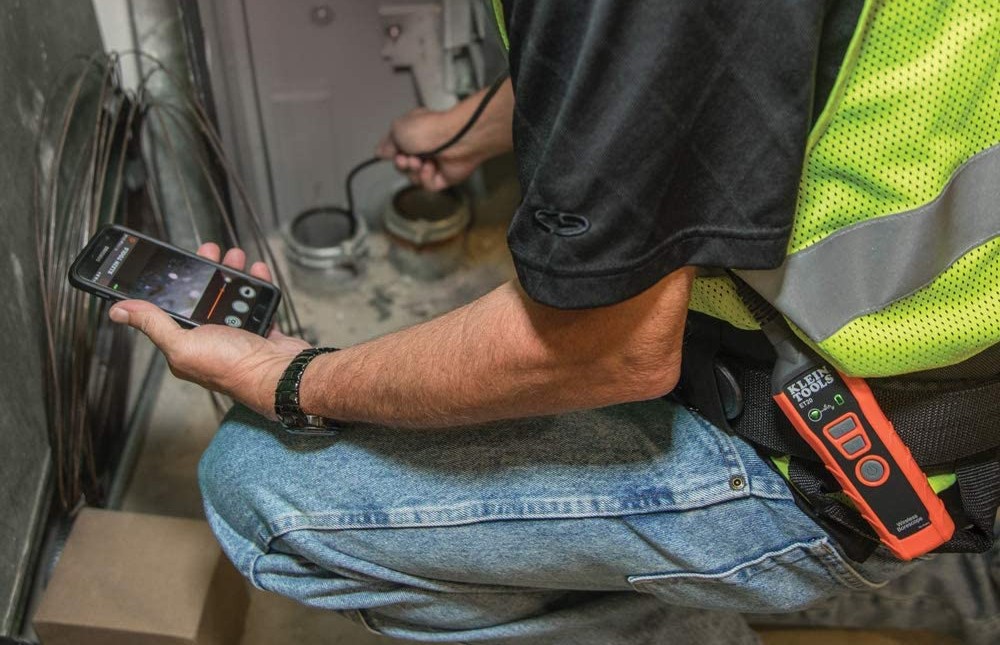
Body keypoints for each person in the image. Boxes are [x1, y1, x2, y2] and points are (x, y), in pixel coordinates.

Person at [107, 1, 1000, 643]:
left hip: (853, 444)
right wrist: (464, 128)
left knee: (256, 481)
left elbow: (603, 349)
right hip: (930, 347)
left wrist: (295, 380)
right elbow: (660, 70)